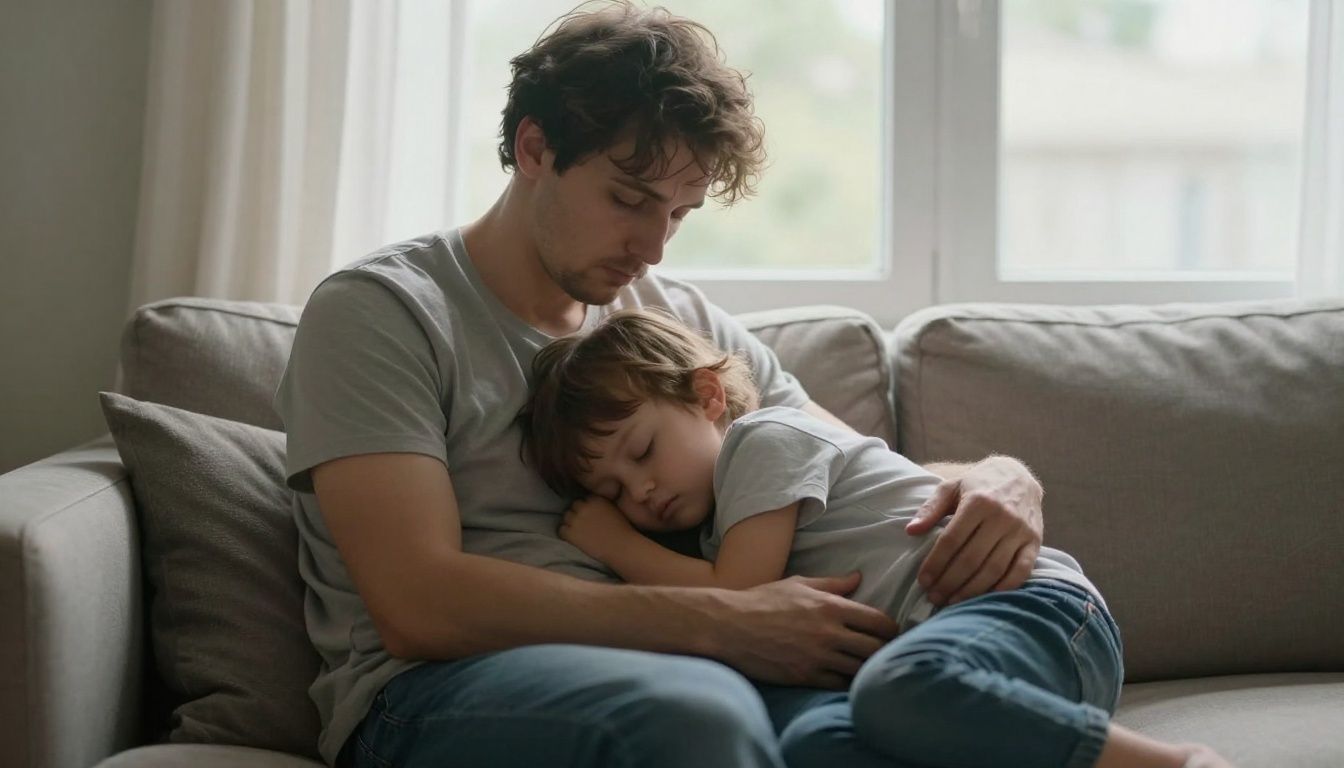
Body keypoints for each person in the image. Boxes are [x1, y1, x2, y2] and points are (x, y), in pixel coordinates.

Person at [276, 3, 1070, 767]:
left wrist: (995, 478)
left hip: (686, 663)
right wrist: (724, 620)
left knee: (853, 735)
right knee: (696, 712)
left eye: (680, 214)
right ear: (534, 148)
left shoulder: (669, 317)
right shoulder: (383, 313)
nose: (653, 248)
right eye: (629, 200)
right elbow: (417, 604)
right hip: (434, 691)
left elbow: (837, 458)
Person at [518, 307, 1236, 768]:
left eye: (641, 452)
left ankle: (1175, 765)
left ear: (707, 398)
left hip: (1031, 613)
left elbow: (739, 597)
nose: (639, 492)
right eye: (613, 491)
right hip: (965, 683)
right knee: (816, 743)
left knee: (902, 684)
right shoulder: (710, 529)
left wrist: (617, 544)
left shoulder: (763, 441)